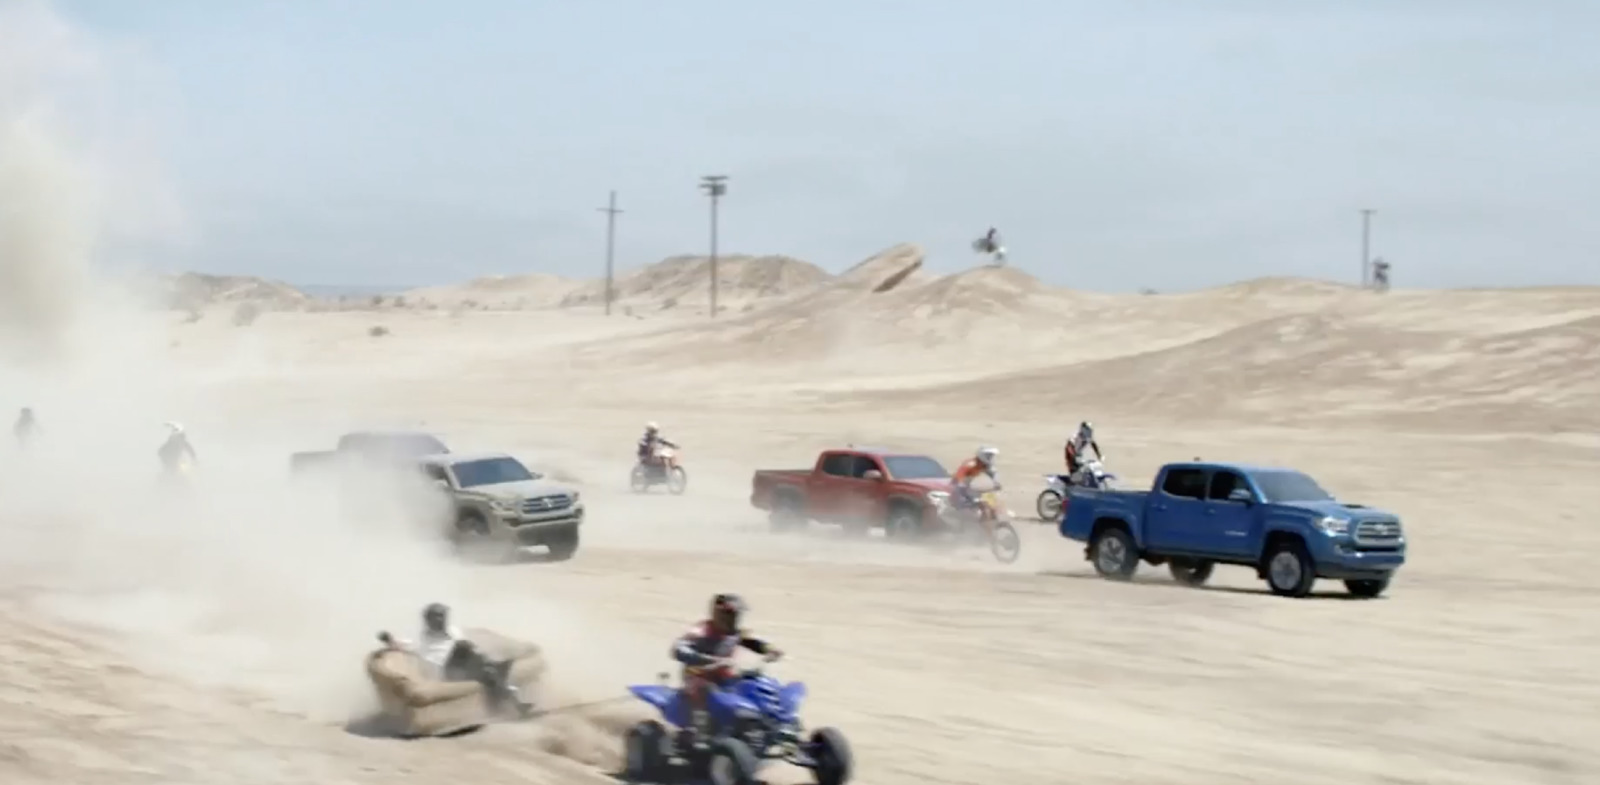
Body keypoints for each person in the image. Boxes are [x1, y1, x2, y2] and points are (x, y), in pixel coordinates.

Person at [380, 603, 533, 714]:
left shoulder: (454, 631)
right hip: (446, 672)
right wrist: (387, 638)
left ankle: (515, 704)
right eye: (437, 617)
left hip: (465, 667)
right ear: (428, 620)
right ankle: (497, 672)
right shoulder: (419, 639)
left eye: (443, 616)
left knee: (485, 669)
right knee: (465, 647)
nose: (442, 620)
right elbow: (398, 644)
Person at [671, 593, 781, 738]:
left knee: (756, 684)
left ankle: (772, 723)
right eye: (730, 614)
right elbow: (679, 649)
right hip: (698, 675)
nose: (733, 619)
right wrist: (709, 659)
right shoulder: (701, 631)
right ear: (717, 613)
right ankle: (699, 732)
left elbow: (754, 642)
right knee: (705, 689)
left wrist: (769, 649)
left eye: (736, 615)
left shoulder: (737, 633)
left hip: (726, 677)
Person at [950, 446, 1001, 514]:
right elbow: (959, 477)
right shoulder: (970, 464)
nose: (990, 457)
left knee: (994, 504)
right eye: (988, 455)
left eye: (991, 456)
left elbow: (994, 475)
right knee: (979, 505)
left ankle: (999, 517)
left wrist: (996, 484)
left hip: (976, 489)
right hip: (963, 489)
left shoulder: (987, 465)